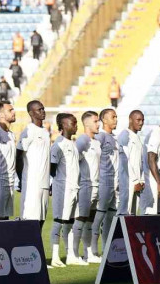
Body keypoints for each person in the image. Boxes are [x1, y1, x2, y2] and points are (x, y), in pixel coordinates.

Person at [49, 113, 86, 268]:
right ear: (64, 125)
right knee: (59, 221)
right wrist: (56, 184)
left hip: (74, 188)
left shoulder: (72, 144)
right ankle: (55, 257)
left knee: (70, 222)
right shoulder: (58, 144)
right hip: (63, 189)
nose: (76, 126)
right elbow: (52, 168)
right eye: (73, 123)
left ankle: (70, 255)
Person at [16, 100, 50, 226]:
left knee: (41, 220)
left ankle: (37, 246)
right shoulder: (28, 131)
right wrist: (21, 178)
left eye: (43, 108)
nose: (42, 111)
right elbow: (18, 156)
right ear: (31, 113)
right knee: (30, 221)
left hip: (44, 183)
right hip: (32, 184)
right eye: (39, 109)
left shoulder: (45, 132)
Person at [90, 108, 119, 257]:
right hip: (104, 181)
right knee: (99, 216)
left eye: (116, 117)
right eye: (113, 117)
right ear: (104, 120)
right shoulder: (100, 137)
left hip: (115, 182)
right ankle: (93, 250)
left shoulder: (115, 138)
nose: (116, 119)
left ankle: (107, 248)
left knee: (111, 217)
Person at [75, 111, 102, 264]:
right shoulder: (82, 141)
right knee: (80, 220)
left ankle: (89, 252)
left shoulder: (96, 142)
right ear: (87, 124)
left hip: (97, 186)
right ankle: (74, 253)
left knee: (91, 221)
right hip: (85, 186)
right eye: (96, 121)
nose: (98, 124)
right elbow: (74, 161)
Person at [117, 110, 145, 215]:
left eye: (142, 120)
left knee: (132, 215)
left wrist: (141, 180)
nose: (141, 123)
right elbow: (125, 160)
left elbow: (140, 162)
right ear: (130, 120)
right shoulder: (125, 135)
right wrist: (134, 181)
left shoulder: (137, 137)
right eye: (138, 120)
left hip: (137, 182)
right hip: (128, 182)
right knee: (124, 213)